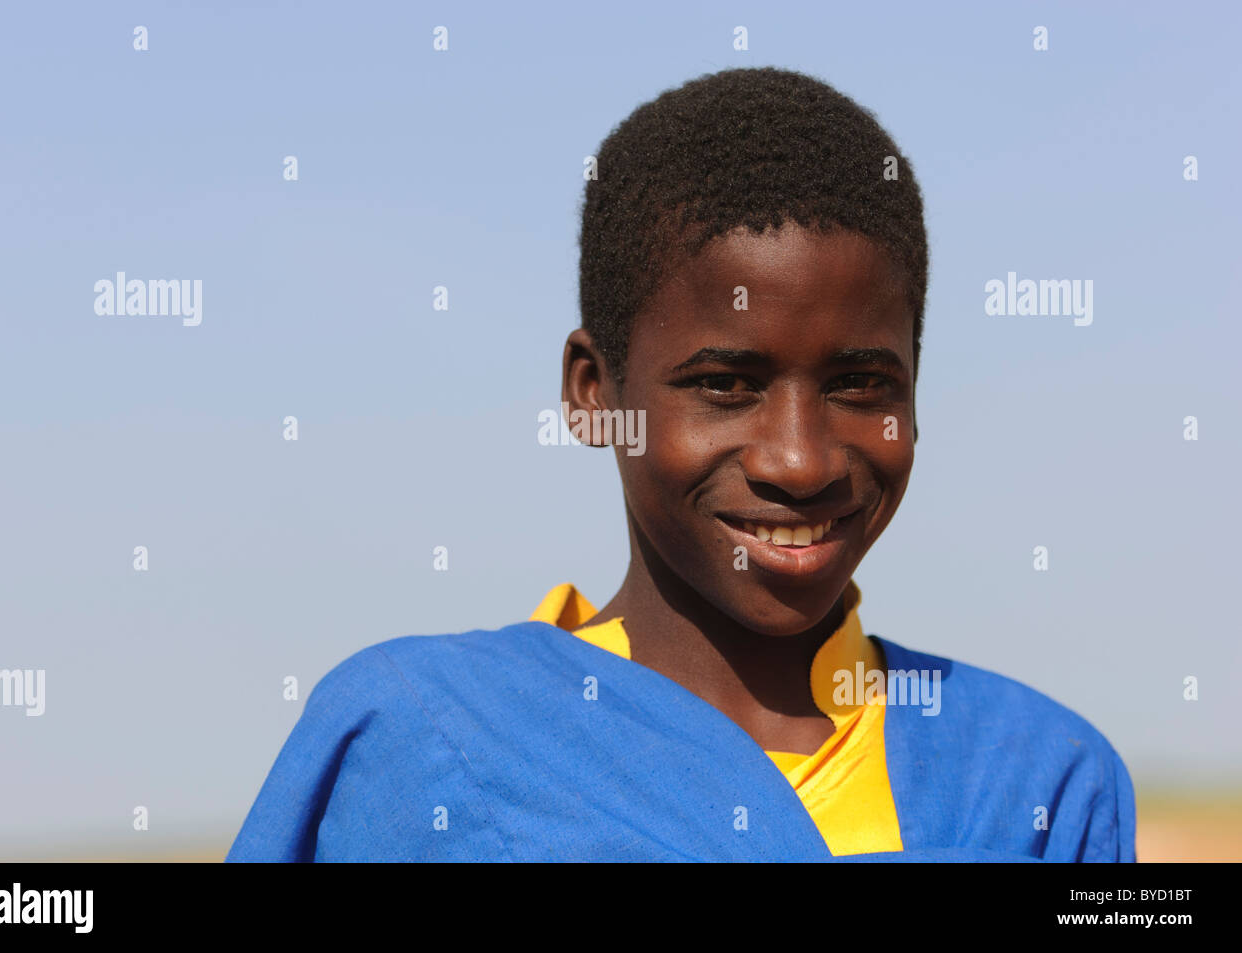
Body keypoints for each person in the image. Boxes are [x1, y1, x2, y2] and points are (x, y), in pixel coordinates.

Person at [227, 66, 1136, 862]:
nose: (799, 458)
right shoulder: (418, 740)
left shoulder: (1039, 781)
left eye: (860, 384)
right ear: (594, 392)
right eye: (724, 385)